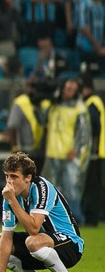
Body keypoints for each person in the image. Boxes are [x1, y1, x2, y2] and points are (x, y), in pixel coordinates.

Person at [0, 152, 82, 272]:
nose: (9, 182)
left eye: (14, 177)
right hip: (39, 247)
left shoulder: (42, 188)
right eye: (7, 176)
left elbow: (34, 228)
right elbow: (7, 237)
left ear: (28, 177)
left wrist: (13, 201)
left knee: (32, 241)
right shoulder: (10, 196)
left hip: (69, 245)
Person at [44, 78, 91, 224]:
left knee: (71, 188)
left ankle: (76, 218)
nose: (66, 91)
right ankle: (54, 220)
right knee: (52, 190)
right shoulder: (54, 106)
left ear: (76, 92)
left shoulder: (79, 109)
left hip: (69, 155)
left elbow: (83, 132)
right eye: (65, 87)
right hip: (53, 153)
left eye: (71, 89)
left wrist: (76, 149)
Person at [80, 74, 104, 227]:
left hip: (97, 152)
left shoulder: (91, 103)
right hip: (99, 150)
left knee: (93, 186)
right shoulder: (97, 101)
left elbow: (93, 128)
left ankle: (92, 218)